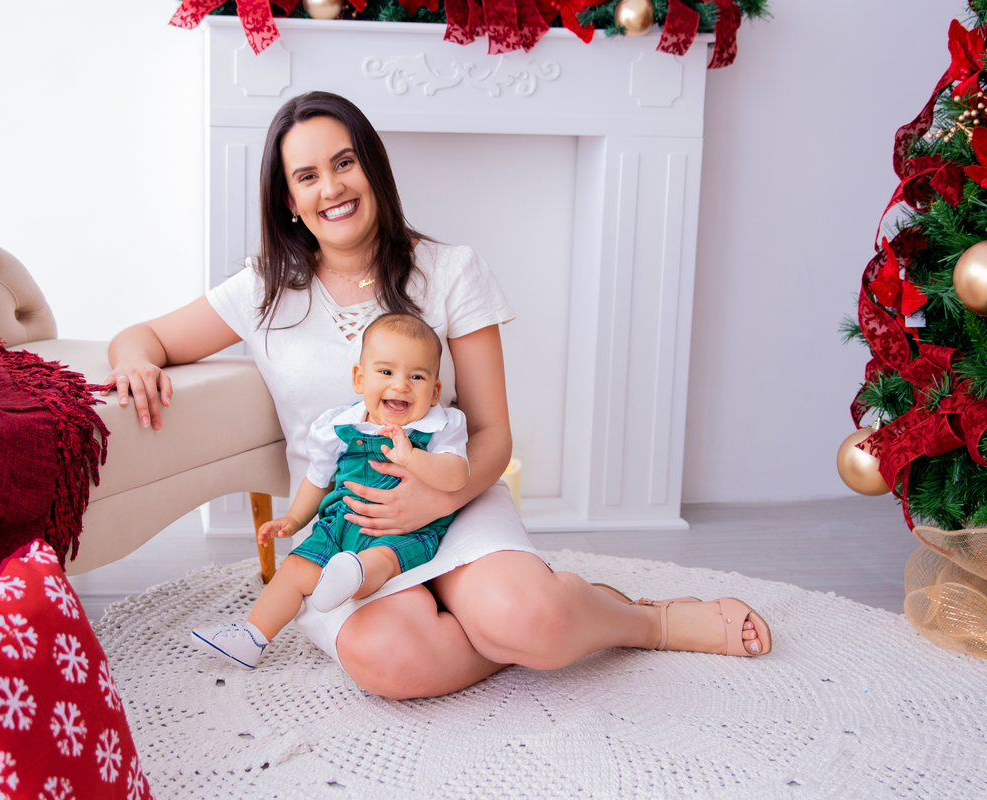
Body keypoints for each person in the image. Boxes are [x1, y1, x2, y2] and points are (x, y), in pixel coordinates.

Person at [105, 90, 771, 699]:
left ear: (373, 168)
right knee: (390, 661)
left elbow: (491, 432)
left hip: (456, 499)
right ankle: (513, 623)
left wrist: (439, 493)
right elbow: (145, 337)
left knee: (529, 617)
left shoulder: (450, 270)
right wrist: (135, 362)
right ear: (288, 200)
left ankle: (637, 619)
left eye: (344, 163)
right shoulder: (263, 289)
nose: (331, 188)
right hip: (348, 530)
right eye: (307, 176)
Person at [191, 313, 470, 668]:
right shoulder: (338, 426)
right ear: (359, 379)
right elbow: (317, 479)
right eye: (386, 372)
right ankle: (252, 636)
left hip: (400, 533)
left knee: (380, 560)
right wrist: (293, 519)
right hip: (341, 526)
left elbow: (456, 476)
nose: (400, 385)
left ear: (434, 392)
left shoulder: (440, 425)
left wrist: (412, 457)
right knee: (293, 569)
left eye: (416, 376)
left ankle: (351, 579)